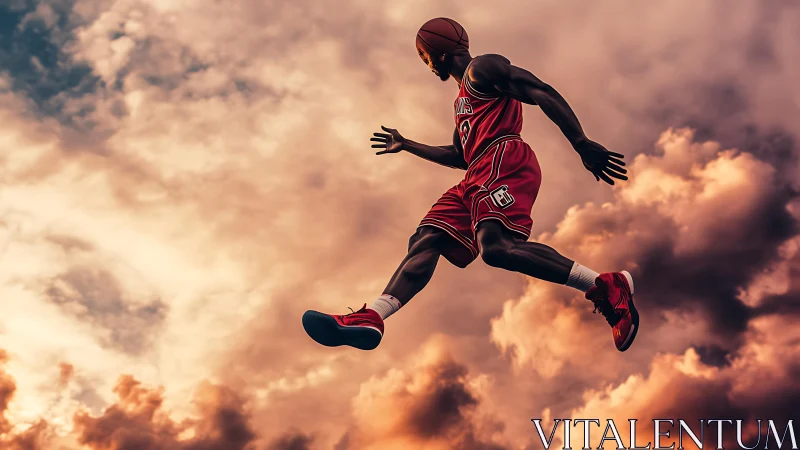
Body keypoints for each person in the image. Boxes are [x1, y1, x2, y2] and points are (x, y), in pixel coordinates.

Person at [302, 17, 639, 352]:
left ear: (436, 52)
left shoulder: (482, 68)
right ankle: (373, 315)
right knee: (428, 236)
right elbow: (460, 154)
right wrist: (407, 144)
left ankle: (605, 285)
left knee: (496, 248)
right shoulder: (462, 102)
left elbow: (540, 90)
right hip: (476, 171)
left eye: (424, 57)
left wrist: (581, 142)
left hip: (503, 158)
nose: (427, 66)